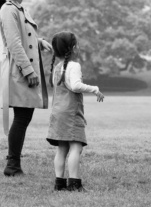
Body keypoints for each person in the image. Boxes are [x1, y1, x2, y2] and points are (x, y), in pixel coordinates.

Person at [0, 0, 53, 176]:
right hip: (19, 72)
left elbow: (23, 37)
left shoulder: (18, 9)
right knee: (21, 118)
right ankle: (12, 165)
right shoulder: (8, 10)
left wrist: (39, 41)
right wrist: (28, 71)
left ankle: (13, 164)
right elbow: (14, 43)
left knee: (23, 117)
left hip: (23, 70)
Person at [46, 31, 105, 191]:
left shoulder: (57, 67)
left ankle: (59, 183)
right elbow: (75, 86)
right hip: (70, 113)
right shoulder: (74, 66)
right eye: (76, 44)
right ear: (72, 48)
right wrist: (95, 89)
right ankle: (74, 183)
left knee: (62, 148)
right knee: (76, 147)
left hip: (57, 113)